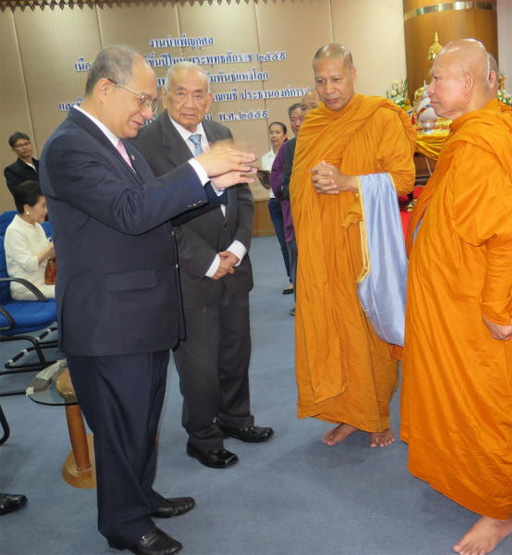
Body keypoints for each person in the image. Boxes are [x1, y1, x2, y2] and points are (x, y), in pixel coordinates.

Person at [40, 45, 255, 554]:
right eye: (143, 99)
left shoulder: (119, 144)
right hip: (110, 321)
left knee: (141, 419)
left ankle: (140, 496)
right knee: (121, 426)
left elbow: (157, 207)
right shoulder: (69, 147)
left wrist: (215, 183)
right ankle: (124, 523)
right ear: (105, 88)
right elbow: (131, 212)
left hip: (143, 313)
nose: (147, 111)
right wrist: (200, 167)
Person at [402, 40, 512, 555]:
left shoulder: (482, 144)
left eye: (436, 78)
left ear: (467, 82)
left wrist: (495, 308)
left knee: (488, 402)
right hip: (451, 300)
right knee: (459, 399)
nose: (428, 88)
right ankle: (462, 474)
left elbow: (510, 235)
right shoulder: (470, 136)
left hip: (474, 308)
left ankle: (497, 511)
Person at [133, 60, 273, 470]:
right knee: (199, 365)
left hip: (234, 267)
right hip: (187, 273)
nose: (190, 103)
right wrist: (208, 260)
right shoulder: (146, 144)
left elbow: (243, 196)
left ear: (210, 100)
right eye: (180, 93)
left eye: (198, 95)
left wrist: (238, 249)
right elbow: (158, 215)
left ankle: (235, 418)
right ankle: (203, 436)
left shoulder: (220, 134)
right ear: (165, 96)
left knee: (235, 352)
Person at [291, 44, 416, 448]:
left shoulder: (379, 117)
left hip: (365, 246)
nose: (329, 90)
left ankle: (376, 415)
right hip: (322, 248)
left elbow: (403, 179)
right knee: (332, 326)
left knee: (367, 327)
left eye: (336, 79)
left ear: (353, 74)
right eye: (321, 81)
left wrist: (347, 182)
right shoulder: (313, 124)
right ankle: (347, 414)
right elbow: (297, 188)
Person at [270, 103, 303, 316]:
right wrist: (289, 186)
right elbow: (275, 176)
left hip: (323, 216)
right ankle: (301, 304)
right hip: (294, 215)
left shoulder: (323, 141)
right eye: (293, 119)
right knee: (297, 260)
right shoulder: (287, 148)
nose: (297, 123)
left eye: (301, 118)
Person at [4, 180, 55, 300]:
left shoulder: (37, 226)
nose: (46, 211)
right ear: (27, 208)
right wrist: (51, 245)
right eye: (43, 206)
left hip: (44, 282)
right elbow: (29, 265)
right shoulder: (14, 230)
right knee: (70, 291)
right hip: (26, 288)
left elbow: (47, 257)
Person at [261, 121, 292, 294]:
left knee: (295, 242)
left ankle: (303, 276)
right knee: (283, 244)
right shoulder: (265, 158)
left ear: (285, 135)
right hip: (274, 203)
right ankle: (292, 279)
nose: (274, 135)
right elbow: (268, 185)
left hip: (289, 201)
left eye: (277, 132)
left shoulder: (291, 152)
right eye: (271, 132)